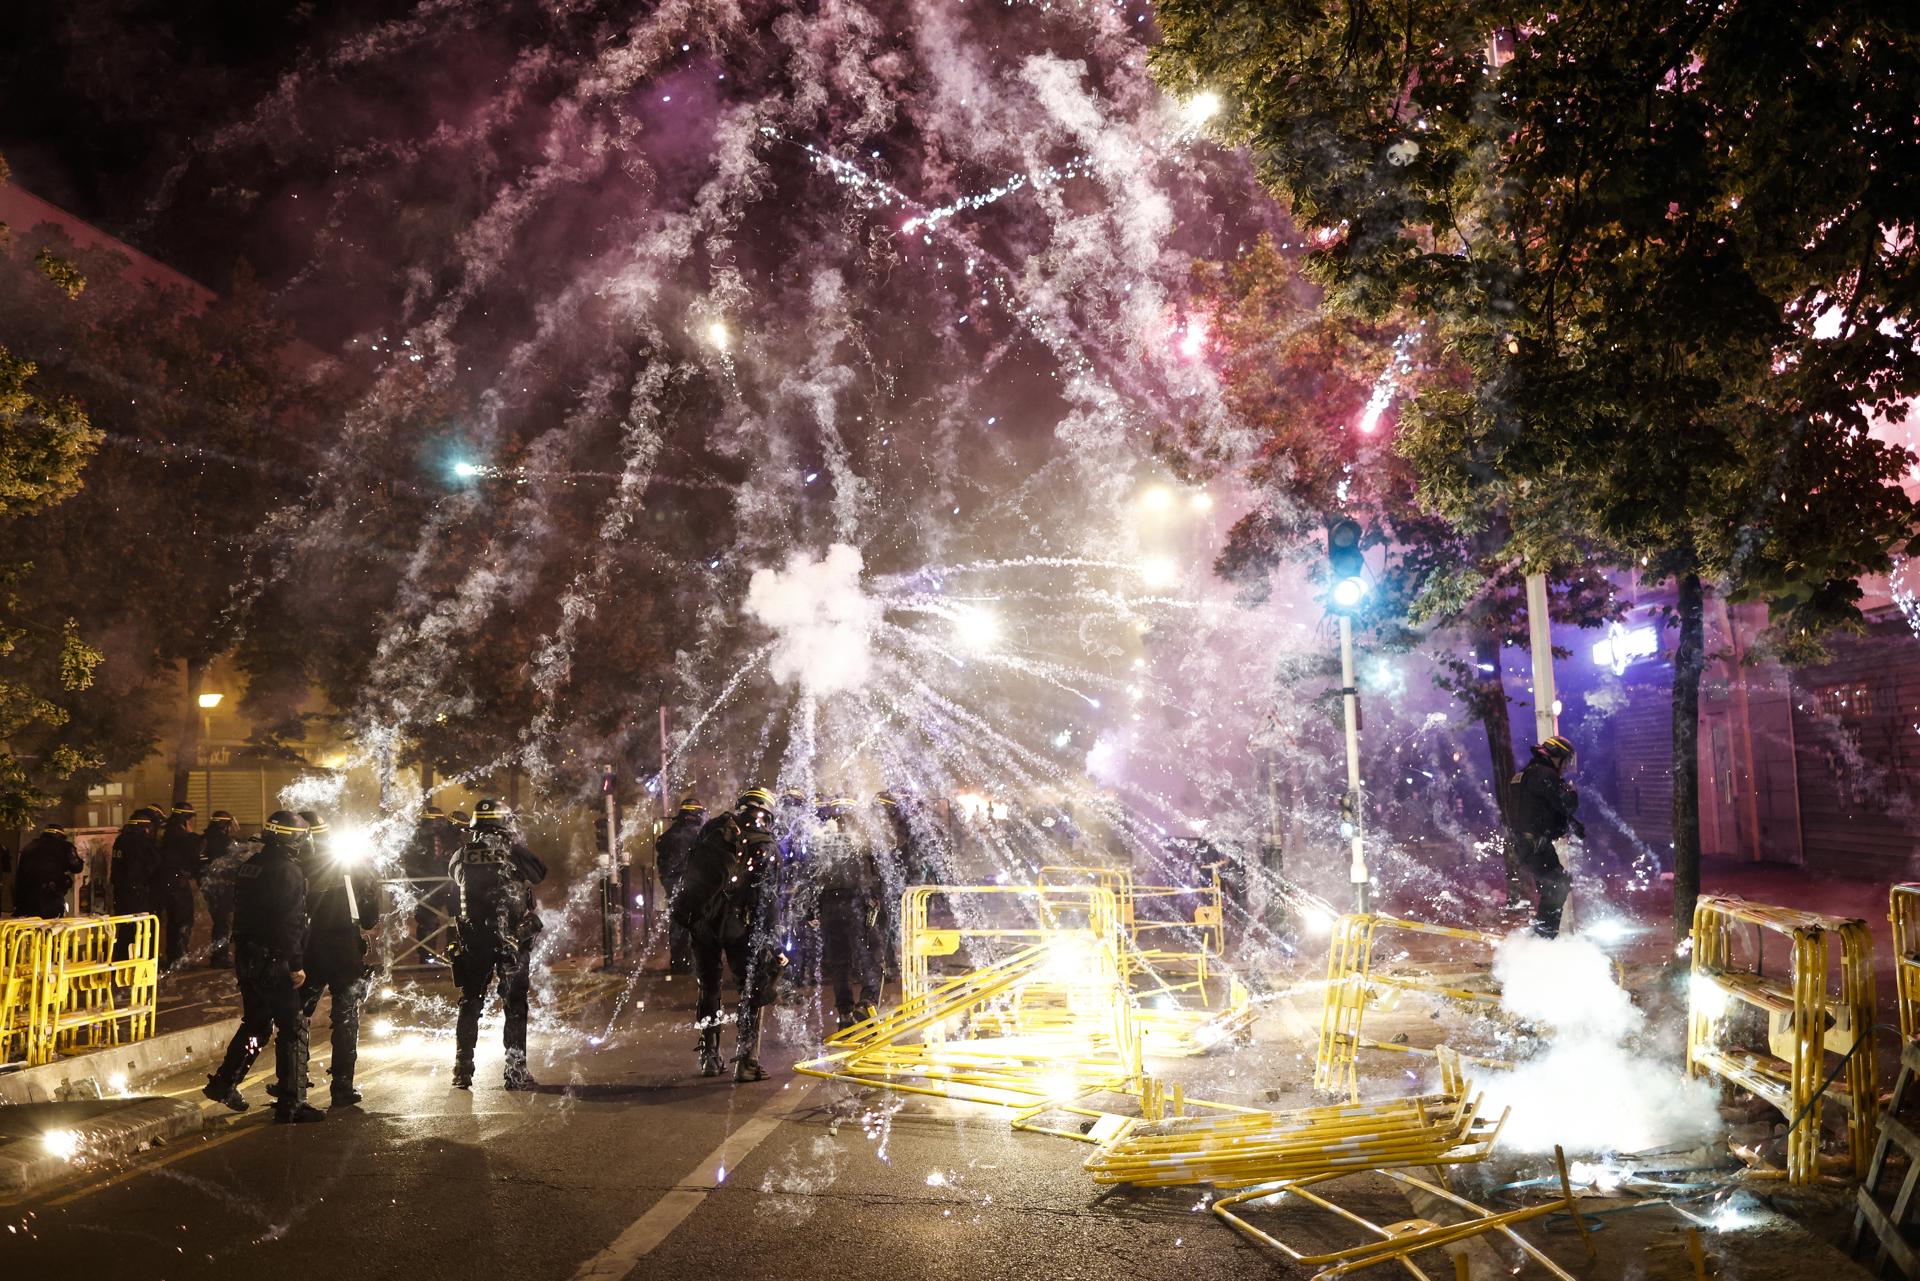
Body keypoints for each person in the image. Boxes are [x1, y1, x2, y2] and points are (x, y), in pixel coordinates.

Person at [204, 812, 321, 1123]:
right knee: (293, 1027)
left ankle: (224, 1084)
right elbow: (290, 923)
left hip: (247, 957)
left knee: (256, 1024)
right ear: (292, 838)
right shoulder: (288, 872)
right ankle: (291, 1102)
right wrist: (295, 964)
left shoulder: (250, 867)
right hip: (275, 959)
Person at [673, 787, 783, 1081]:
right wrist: (774, 940)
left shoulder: (714, 829)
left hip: (703, 920)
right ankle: (746, 1062)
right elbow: (768, 898)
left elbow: (690, 872)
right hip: (738, 923)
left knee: (708, 986)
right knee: (751, 985)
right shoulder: (765, 843)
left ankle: (709, 1057)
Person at [449, 799, 547, 1091]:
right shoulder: (514, 852)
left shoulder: (462, 854)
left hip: (474, 940)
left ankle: (462, 1070)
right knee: (515, 1005)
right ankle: (515, 1072)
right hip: (511, 940)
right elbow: (540, 873)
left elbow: (456, 878)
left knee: (470, 1003)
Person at [294, 812, 378, 1106]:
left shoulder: (293, 862)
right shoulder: (348, 861)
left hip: (305, 949)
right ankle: (342, 1086)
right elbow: (370, 915)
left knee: (298, 1016)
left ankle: (294, 1082)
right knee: (345, 1018)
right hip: (343, 948)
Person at [804, 798, 881, 1030]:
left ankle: (845, 1015)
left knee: (840, 964)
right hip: (855, 903)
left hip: (829, 906)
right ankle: (866, 1004)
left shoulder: (820, 838)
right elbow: (876, 872)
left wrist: (810, 910)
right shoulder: (861, 837)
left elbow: (810, 876)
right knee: (871, 956)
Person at [1508, 735, 1584, 939]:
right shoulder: (1545, 775)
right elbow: (1565, 803)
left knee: (1555, 885)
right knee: (1557, 886)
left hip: (1526, 842)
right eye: (1565, 760)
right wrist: (1572, 793)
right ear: (1556, 756)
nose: (1566, 766)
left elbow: (1540, 809)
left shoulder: (1525, 774)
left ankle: (1541, 937)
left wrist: (1573, 825)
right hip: (1535, 844)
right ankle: (1542, 940)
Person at [654, 799, 706, 974]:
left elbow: (663, 865)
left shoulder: (669, 836)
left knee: (678, 925)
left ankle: (679, 962)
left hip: (675, 888)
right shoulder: (700, 835)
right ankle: (694, 962)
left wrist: (670, 884)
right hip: (695, 888)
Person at [404, 805, 456, 962]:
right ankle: (427, 958)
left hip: (447, 883)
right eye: (437, 822)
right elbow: (410, 864)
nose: (441, 825)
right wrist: (426, 880)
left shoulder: (445, 837)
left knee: (457, 920)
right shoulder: (416, 839)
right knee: (428, 922)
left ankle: (454, 955)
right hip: (425, 886)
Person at [110, 808, 162, 959]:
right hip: (136, 891)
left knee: (125, 927)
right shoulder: (141, 841)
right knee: (137, 928)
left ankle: (120, 959)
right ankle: (133, 961)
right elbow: (156, 861)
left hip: (120, 891)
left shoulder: (121, 839)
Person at [156, 804, 203, 968]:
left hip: (164, 880)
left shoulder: (164, 830)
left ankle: (173, 957)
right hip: (175, 880)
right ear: (185, 819)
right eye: (190, 819)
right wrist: (191, 835)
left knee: (173, 921)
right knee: (183, 919)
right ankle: (179, 959)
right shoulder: (178, 833)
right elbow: (193, 851)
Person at [198, 811, 243, 967]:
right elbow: (238, 863)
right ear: (225, 825)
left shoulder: (204, 838)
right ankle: (219, 958)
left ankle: (218, 956)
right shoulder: (227, 842)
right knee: (223, 923)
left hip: (209, 886)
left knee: (219, 921)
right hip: (224, 887)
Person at [12, 824, 83, 918]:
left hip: (25, 900)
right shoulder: (64, 846)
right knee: (50, 929)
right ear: (61, 835)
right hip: (50, 899)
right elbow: (77, 867)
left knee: (29, 930)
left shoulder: (30, 846)